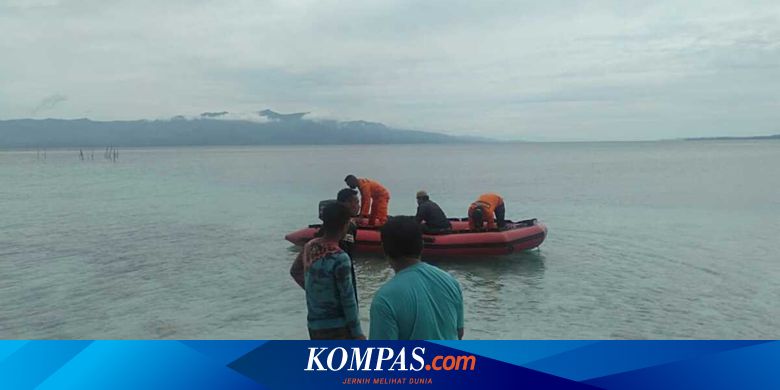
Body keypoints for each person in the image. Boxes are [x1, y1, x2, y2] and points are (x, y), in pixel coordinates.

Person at [369, 216, 464, 340]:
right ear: (422, 244)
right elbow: (459, 332)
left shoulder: (384, 299)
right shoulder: (450, 282)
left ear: (384, 248)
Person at [289, 202, 365, 340]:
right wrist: (357, 332)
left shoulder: (309, 246)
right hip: (338, 327)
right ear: (345, 225)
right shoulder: (341, 258)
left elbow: (295, 271)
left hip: (314, 324)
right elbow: (347, 299)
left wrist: (316, 290)